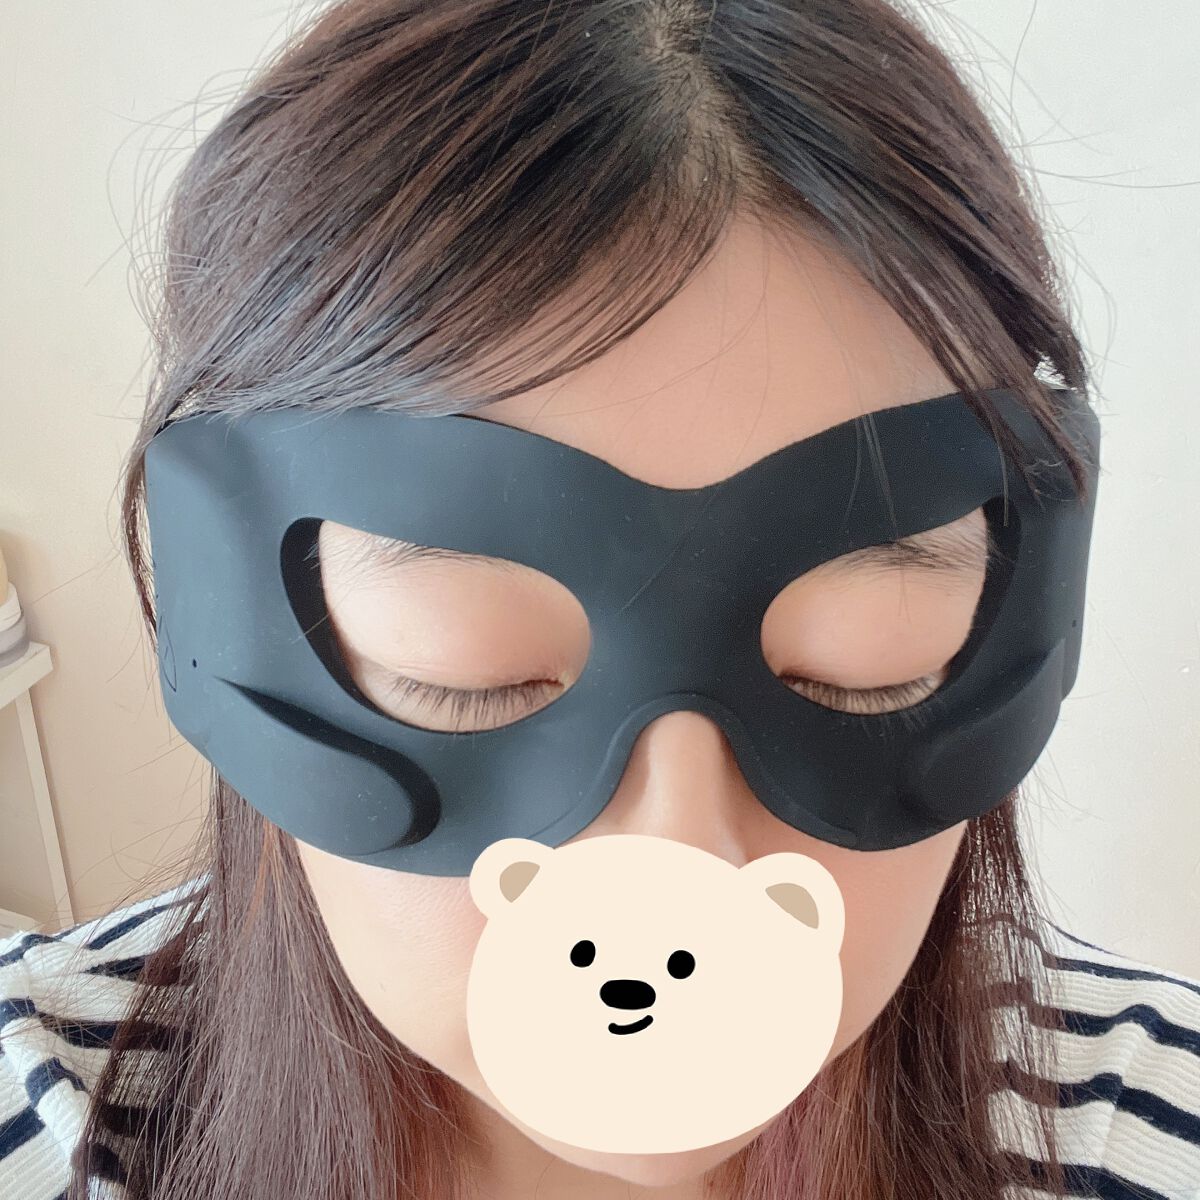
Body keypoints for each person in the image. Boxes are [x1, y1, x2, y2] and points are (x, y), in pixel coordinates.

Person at [2, 1, 1199, 1198]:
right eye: (469, 676)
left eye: (861, 671)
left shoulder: (1149, 1131)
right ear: (213, 599)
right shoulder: (43, 1112)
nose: (686, 857)